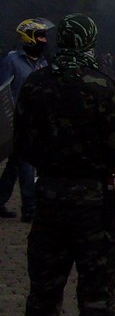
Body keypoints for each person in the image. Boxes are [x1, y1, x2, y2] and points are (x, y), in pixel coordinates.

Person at [14, 14, 115, 316]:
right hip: (93, 203)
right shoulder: (102, 86)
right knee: (97, 298)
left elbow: (23, 146)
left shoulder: (35, 85)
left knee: (43, 295)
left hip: (49, 197)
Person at [0, 17, 54, 222]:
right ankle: (30, 207)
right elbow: (4, 90)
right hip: (17, 121)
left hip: (36, 122)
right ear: (28, 37)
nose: (44, 40)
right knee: (26, 163)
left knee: (15, 164)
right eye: (40, 36)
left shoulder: (43, 62)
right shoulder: (11, 60)